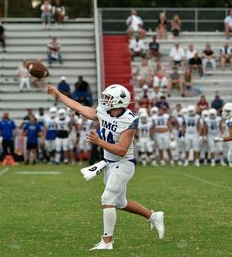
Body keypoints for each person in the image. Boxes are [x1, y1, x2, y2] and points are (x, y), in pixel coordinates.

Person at [52, 83, 165, 249]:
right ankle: (154, 216)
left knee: (107, 198)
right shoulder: (103, 111)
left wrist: (99, 141)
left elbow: (121, 150)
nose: (105, 100)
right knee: (119, 202)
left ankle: (107, 242)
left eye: (108, 98)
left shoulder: (130, 119)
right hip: (109, 163)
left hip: (124, 163)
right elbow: (80, 108)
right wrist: (58, 94)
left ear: (119, 101)